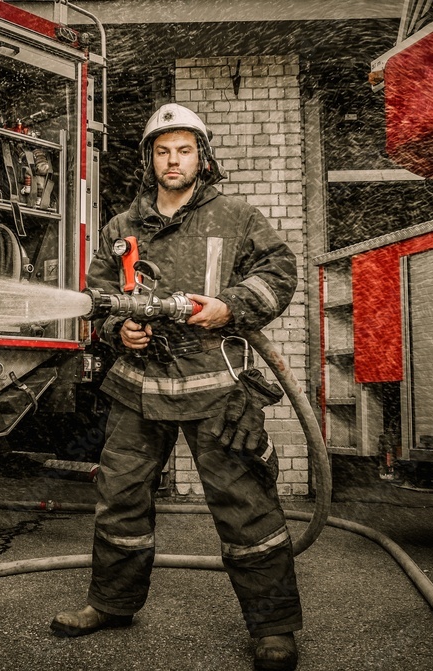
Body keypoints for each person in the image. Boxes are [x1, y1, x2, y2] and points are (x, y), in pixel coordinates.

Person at [51, 103, 303, 671]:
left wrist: (228, 306)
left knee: (244, 505)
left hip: (216, 386)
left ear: (202, 156)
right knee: (120, 500)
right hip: (137, 388)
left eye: (184, 149)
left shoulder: (235, 216)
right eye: (163, 150)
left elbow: (280, 270)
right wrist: (122, 329)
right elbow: (99, 294)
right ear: (149, 159)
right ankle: (111, 604)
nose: (173, 160)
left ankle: (273, 628)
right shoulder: (122, 228)